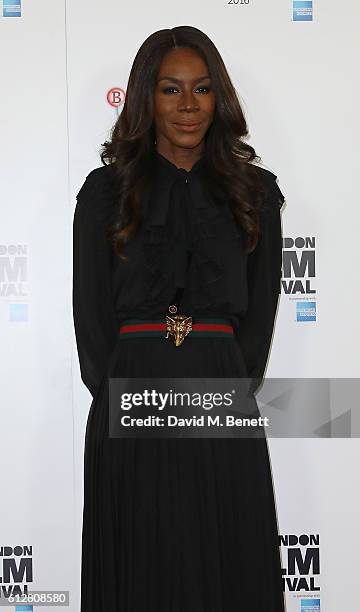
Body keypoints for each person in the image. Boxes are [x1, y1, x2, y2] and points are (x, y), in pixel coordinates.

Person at [73, 25, 287, 612]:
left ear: (220, 98)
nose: (188, 106)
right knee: (140, 565)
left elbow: (258, 325)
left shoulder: (256, 193)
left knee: (228, 561)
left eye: (201, 89)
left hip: (220, 400)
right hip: (130, 400)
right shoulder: (104, 193)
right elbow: (91, 324)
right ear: (146, 98)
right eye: (170, 90)